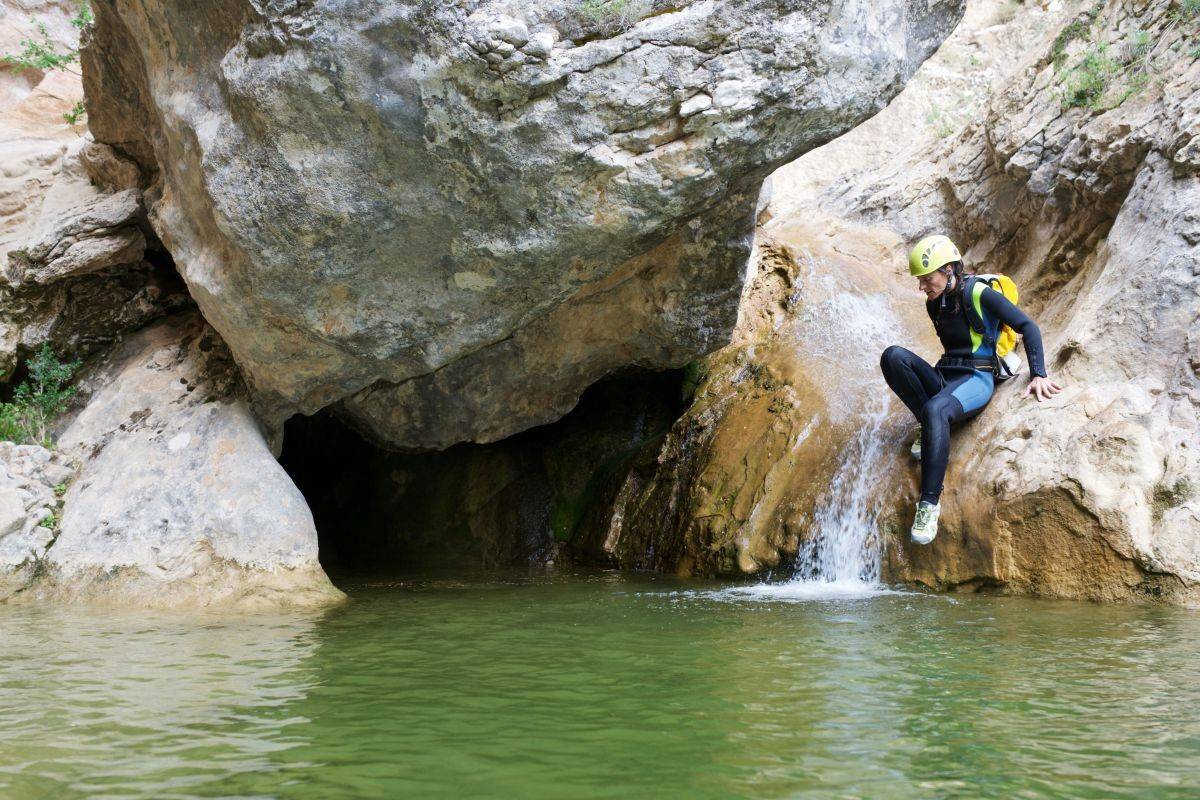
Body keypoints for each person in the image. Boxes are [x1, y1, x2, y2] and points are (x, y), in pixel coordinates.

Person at [879, 234, 1062, 545]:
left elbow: (1027, 326)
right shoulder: (934, 303)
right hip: (945, 374)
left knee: (936, 408)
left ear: (949, 269)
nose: (922, 287)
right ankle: (931, 425)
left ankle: (929, 505)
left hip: (976, 378)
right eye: (921, 281)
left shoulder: (979, 292)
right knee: (893, 356)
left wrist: (1039, 374)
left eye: (926, 279)